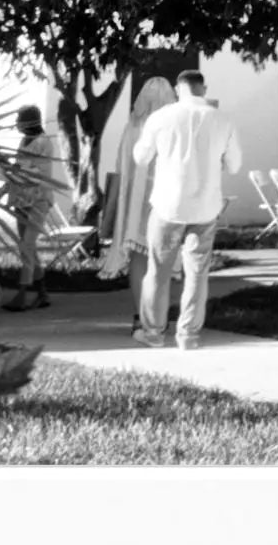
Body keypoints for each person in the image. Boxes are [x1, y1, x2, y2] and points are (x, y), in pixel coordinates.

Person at [126, 65, 246, 349]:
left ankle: (153, 332)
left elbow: (141, 157)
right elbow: (235, 165)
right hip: (205, 206)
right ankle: (189, 335)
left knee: (157, 270)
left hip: (168, 205)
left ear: (178, 89)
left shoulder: (161, 117)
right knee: (197, 272)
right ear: (203, 89)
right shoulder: (222, 120)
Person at [104, 71, 174, 321]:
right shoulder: (173, 127)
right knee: (162, 259)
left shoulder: (132, 127)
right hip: (164, 200)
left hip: (135, 201)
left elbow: (123, 165)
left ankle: (140, 314)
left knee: (138, 259)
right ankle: (159, 316)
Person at [0, 105, 67, 310]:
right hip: (21, 200)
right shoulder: (24, 141)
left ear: (29, 122)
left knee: (27, 245)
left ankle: (22, 295)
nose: (17, 124)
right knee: (27, 247)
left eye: (19, 119)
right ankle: (42, 293)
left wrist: (10, 168)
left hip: (38, 200)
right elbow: (17, 171)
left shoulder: (44, 143)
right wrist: (0, 191)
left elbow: (33, 171)